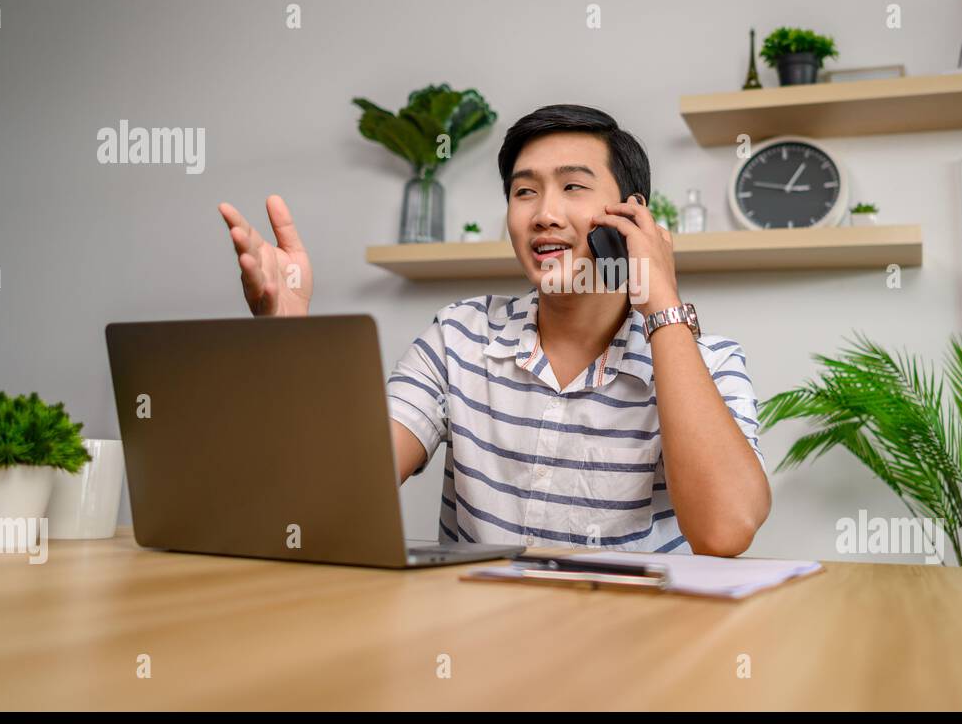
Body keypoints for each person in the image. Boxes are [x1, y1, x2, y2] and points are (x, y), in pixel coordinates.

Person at [217, 104, 770, 555]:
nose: (544, 214)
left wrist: (661, 302)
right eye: (524, 192)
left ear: (631, 214)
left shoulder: (708, 361)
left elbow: (724, 532)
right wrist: (288, 337)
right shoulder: (459, 337)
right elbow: (339, 490)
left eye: (573, 187)